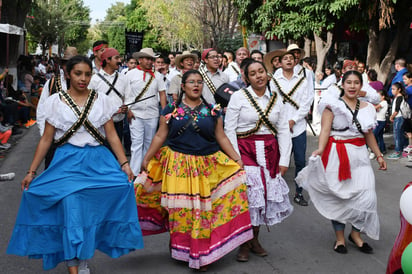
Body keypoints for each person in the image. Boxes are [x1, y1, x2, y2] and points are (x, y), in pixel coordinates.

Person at [7, 55, 143, 273]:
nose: (83, 78)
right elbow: (46, 139)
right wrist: (31, 171)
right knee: (71, 206)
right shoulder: (55, 102)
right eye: (78, 73)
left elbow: (112, 136)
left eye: (88, 74)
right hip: (67, 162)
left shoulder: (102, 100)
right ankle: (74, 263)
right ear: (68, 74)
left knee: (112, 195)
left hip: (99, 161)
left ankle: (82, 257)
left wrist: (125, 164)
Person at [135, 70, 253, 271]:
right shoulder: (170, 110)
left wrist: (236, 158)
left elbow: (221, 137)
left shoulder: (214, 111)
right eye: (191, 82)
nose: (196, 85)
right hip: (178, 166)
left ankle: (200, 254)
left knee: (202, 211)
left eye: (199, 82)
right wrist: (147, 158)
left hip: (207, 166)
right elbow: (159, 136)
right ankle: (181, 247)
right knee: (182, 212)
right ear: (183, 87)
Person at [297, 70, 386, 254]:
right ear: (342, 85)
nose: (352, 86)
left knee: (367, 197)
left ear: (361, 86)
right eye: (349, 82)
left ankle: (356, 234)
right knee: (339, 197)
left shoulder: (368, 107)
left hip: (360, 156)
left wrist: (378, 155)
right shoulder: (332, 106)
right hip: (337, 154)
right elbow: (325, 131)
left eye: (356, 83)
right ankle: (340, 239)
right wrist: (320, 149)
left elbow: (368, 134)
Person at [224, 60, 293, 262]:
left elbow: (282, 130)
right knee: (250, 197)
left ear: (267, 74)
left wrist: (284, 160)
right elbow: (229, 129)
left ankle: (254, 239)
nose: (258, 76)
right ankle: (244, 244)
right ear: (246, 78)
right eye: (253, 73)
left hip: (270, 152)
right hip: (245, 150)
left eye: (261, 71)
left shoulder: (276, 98)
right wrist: (236, 159)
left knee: (263, 198)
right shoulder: (238, 97)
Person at [270, 49, 314, 206]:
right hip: (280, 128)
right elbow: (272, 103)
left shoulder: (303, 78)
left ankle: (299, 192)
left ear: (295, 61)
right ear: (279, 62)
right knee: (279, 161)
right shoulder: (275, 79)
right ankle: (277, 192)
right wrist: (282, 122)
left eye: (291, 58)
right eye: (285, 58)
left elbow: (308, 101)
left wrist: (294, 120)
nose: (288, 60)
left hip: (299, 126)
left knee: (300, 161)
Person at [125, 48, 167, 175]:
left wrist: (164, 113)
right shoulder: (130, 75)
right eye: (147, 59)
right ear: (140, 60)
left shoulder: (158, 76)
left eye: (151, 59)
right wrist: (127, 109)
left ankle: (146, 171)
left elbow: (162, 94)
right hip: (135, 114)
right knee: (137, 143)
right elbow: (125, 94)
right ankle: (134, 173)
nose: (150, 62)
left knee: (149, 143)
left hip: (152, 114)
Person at [88, 48, 128, 141]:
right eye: (116, 58)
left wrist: (126, 107)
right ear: (107, 60)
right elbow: (89, 102)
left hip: (118, 123)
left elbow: (128, 98)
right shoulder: (94, 80)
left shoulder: (123, 78)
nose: (119, 61)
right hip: (100, 124)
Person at [387, 82, 408, 160]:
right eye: (391, 89)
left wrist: (391, 117)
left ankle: (397, 151)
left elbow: (396, 110)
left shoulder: (399, 97)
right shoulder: (398, 97)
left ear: (399, 90)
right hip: (399, 118)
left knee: (397, 135)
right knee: (401, 133)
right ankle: (405, 148)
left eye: (393, 89)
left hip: (398, 118)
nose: (392, 91)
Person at [370, 90, 389, 159]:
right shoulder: (381, 102)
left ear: (383, 96)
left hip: (380, 121)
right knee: (379, 136)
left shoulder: (384, 102)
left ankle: (374, 152)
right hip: (379, 121)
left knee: (374, 136)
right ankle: (382, 150)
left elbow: (375, 108)